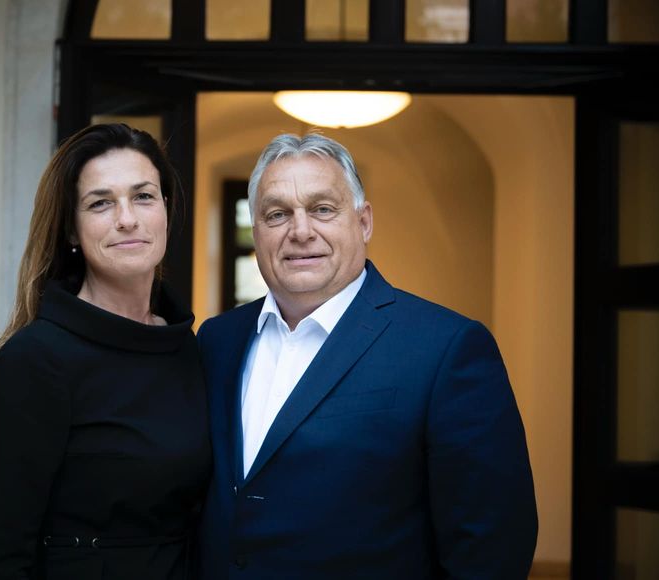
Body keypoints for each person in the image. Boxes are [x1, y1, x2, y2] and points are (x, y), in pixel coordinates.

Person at [196, 133, 538, 579]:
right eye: (277, 214)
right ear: (257, 232)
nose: (301, 231)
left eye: (323, 209)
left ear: (364, 222)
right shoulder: (217, 340)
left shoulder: (446, 348)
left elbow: (492, 545)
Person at [0, 123, 211, 580]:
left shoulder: (187, 347)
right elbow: (5, 557)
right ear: (72, 228)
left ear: (166, 209)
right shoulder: (35, 361)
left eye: (144, 196)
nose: (127, 218)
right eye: (101, 203)